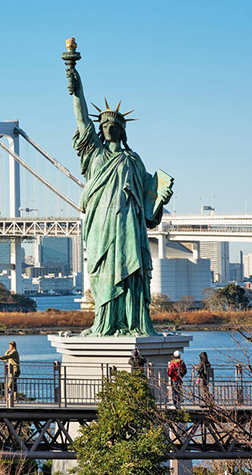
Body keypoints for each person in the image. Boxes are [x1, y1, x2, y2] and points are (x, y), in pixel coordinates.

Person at [66, 59, 174, 337]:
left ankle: (132, 321)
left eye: (115, 123)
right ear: (98, 129)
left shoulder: (133, 160)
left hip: (129, 223)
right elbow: (80, 116)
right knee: (103, 272)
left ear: (123, 130)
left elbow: (149, 201)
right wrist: (76, 82)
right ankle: (105, 321)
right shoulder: (93, 153)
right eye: (104, 123)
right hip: (101, 221)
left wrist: (162, 196)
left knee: (132, 272)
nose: (109, 126)